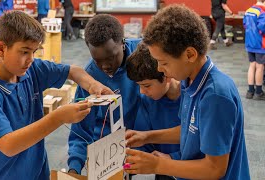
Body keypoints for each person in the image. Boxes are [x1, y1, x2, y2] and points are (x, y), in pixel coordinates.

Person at [0, 11, 112, 179]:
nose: (31, 59)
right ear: (0, 49)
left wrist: (93, 85)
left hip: (38, 172)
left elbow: (74, 71)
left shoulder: (32, 69)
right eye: (24, 52)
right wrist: (58, 118)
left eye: (34, 51)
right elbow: (9, 145)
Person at [124, 5, 250, 180]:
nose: (160, 69)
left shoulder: (215, 96)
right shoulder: (188, 79)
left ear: (190, 55)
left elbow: (214, 169)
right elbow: (192, 130)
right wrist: (147, 137)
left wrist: (159, 165)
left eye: (164, 63)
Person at [67, 14, 141, 175]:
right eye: (97, 61)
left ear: (123, 43)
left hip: (144, 141)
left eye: (111, 57)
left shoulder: (143, 55)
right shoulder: (89, 77)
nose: (105, 66)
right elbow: (80, 130)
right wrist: (74, 167)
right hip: (107, 151)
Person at [126, 43, 181, 180]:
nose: (142, 92)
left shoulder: (192, 98)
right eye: (139, 86)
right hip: (163, 171)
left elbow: (202, 145)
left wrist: (173, 158)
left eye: (147, 85)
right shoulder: (147, 100)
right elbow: (144, 141)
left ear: (166, 76)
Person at [244, 0, 265, 100]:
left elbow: (245, 25)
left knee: (252, 65)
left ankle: (250, 91)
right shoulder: (262, 12)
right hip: (260, 44)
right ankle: (259, 92)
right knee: (260, 67)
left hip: (249, 43)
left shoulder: (248, 10)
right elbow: (263, 27)